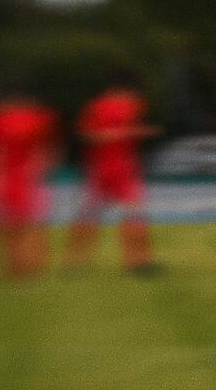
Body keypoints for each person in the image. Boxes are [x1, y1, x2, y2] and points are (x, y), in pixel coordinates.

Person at [65, 78, 160, 273]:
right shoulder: (126, 106)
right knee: (126, 213)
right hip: (111, 169)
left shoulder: (101, 106)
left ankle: (76, 261)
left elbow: (87, 135)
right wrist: (127, 133)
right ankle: (137, 261)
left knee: (97, 214)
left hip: (109, 168)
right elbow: (92, 135)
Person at [0, 89, 59, 277]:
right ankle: (28, 266)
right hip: (25, 178)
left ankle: (6, 267)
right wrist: (39, 168)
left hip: (7, 178)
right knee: (26, 225)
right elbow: (48, 150)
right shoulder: (39, 118)